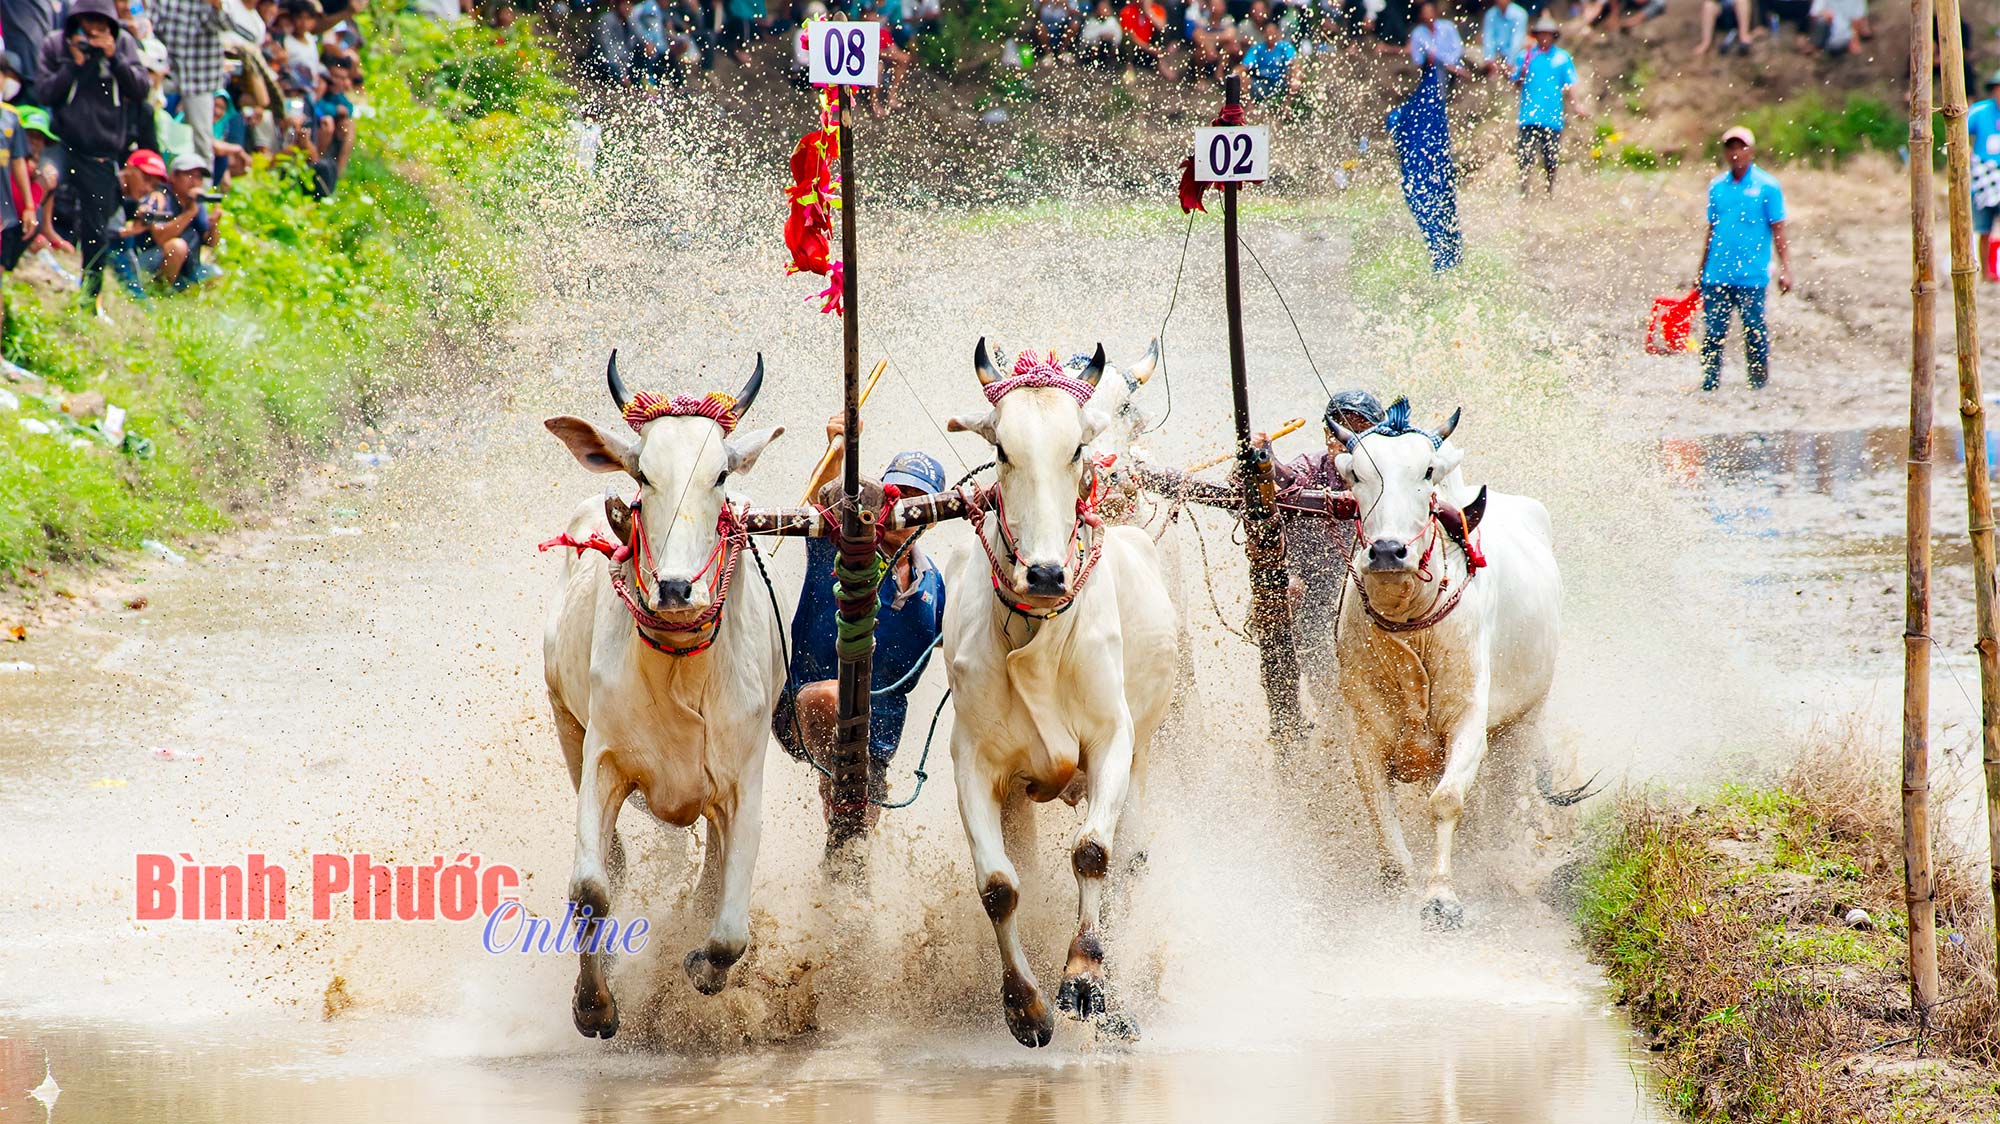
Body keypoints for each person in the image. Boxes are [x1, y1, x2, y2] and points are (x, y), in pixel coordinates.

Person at [773, 421, 948, 830]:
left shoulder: (935, 584)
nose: (902, 505)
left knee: (858, 852)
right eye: (896, 493)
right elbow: (826, 492)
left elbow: (964, 642)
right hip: (804, 706)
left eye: (916, 498)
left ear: (933, 516)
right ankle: (839, 802)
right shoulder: (838, 542)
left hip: (879, 742)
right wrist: (838, 444)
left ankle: (849, 858)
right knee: (836, 700)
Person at [38, 0, 148, 309]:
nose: (93, 31)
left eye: (100, 25)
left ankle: (91, 295)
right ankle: (21, 254)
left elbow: (141, 90)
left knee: (96, 227)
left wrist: (114, 58)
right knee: (44, 182)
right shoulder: (56, 43)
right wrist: (73, 64)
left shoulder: (123, 44)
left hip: (101, 148)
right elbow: (45, 91)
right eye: (87, 23)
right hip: (61, 140)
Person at [1696, 126, 1790, 391]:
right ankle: (1710, 382)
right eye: (1731, 147)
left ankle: (1758, 384)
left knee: (1754, 331)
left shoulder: (1767, 187)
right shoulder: (1717, 187)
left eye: (1741, 147)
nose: (1736, 153)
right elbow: (1712, 230)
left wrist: (1786, 269)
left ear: (1751, 151)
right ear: (1725, 152)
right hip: (1717, 274)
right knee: (1714, 332)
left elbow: (1778, 229)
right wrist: (1701, 271)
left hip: (1752, 275)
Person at [153, 0, 234, 170]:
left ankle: (200, 189)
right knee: (147, 112)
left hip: (199, 77)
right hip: (167, 70)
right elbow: (151, 25)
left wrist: (216, 6)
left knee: (201, 138)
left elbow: (228, 24)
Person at [1511, 13, 1573, 195]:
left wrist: (1577, 106)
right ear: (1536, 36)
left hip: (1552, 117)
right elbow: (1516, 83)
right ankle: (1523, 192)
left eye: (1548, 34)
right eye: (1541, 34)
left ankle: (1549, 192)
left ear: (1553, 36)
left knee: (1551, 159)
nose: (1545, 37)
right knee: (1525, 158)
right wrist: (1524, 66)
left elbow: (1570, 85)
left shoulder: (1562, 58)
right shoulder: (1525, 56)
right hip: (1529, 116)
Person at [1969, 70, 2000, 282]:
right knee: (1983, 228)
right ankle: (1986, 273)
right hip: (1984, 176)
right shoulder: (1980, 111)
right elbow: (1958, 131)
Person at [1406, 0, 1467, 78]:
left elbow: (1458, 48)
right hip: (1431, 68)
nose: (1428, 16)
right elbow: (1418, 59)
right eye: (1425, 13)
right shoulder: (1417, 33)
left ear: (1435, 12)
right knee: (1438, 67)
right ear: (1420, 15)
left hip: (1454, 63)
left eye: (1430, 12)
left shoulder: (1448, 26)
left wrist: (1449, 62)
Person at [1241, 16, 1295, 99]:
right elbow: (1244, 66)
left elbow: (1294, 63)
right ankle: (1249, 106)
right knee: (1242, 79)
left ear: (1277, 33)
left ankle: (1287, 106)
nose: (1270, 35)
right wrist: (1240, 74)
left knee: (1295, 78)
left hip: (1280, 82)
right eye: (1268, 32)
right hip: (1261, 83)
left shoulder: (1285, 47)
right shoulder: (1258, 49)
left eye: (1272, 32)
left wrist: (1294, 76)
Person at [1477, 0, 1524, 73]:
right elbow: (1488, 38)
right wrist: (1490, 59)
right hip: (1496, 52)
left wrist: (1510, 62)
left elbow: (1517, 41)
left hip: (1513, 53)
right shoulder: (1490, 14)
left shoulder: (1520, 14)